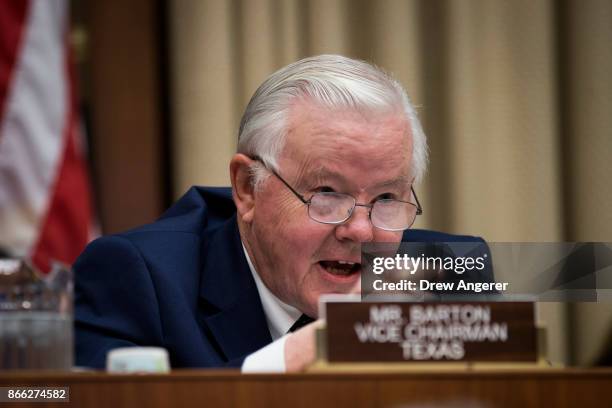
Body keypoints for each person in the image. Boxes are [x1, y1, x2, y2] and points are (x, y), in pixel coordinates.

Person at [74, 54, 487, 372]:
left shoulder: (450, 275)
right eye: (326, 193)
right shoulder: (137, 279)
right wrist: (287, 362)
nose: (361, 232)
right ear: (247, 188)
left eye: (385, 199)